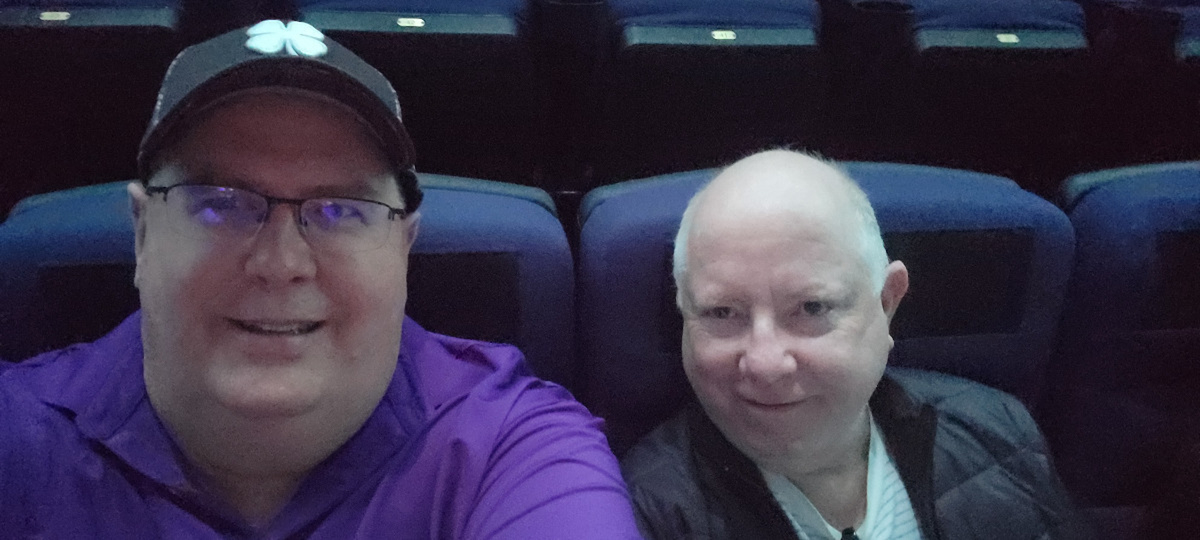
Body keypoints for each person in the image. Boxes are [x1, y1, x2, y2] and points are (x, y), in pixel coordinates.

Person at [0, 20, 640, 539]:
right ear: (142, 234)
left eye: (341, 211)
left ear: (405, 248)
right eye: (220, 205)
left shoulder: (511, 447)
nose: (281, 264)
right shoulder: (20, 439)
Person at [620, 149, 1085, 539]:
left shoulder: (999, 433)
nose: (765, 364)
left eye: (812, 307)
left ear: (887, 303)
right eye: (722, 312)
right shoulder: (642, 515)